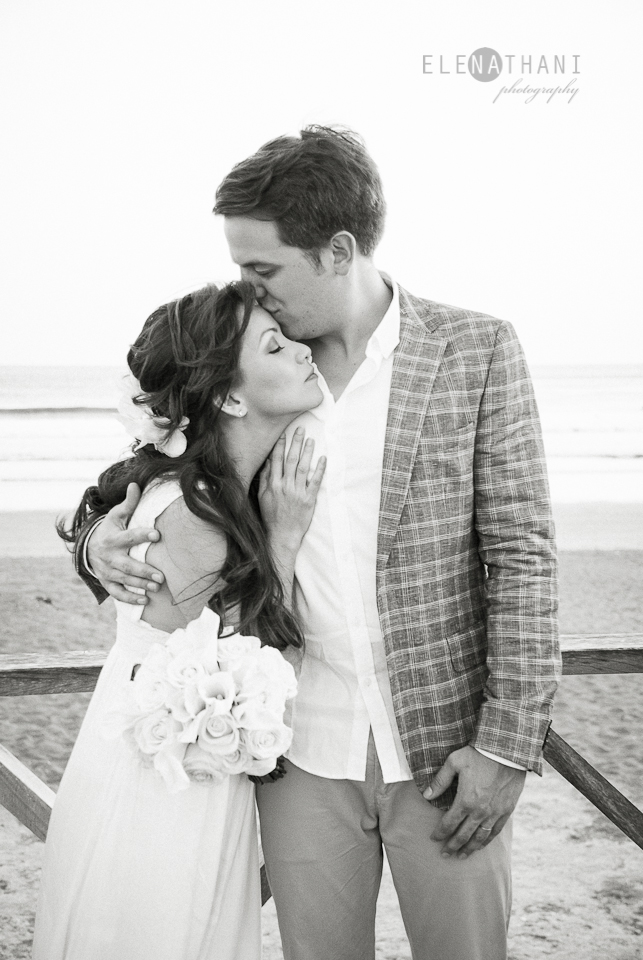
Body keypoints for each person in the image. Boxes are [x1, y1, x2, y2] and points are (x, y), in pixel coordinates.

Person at [81, 127, 561, 960]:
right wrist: (96, 542)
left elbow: (522, 557)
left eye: (262, 268)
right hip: (297, 752)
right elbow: (153, 478)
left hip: (444, 753)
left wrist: (505, 747)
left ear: (337, 251)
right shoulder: (257, 370)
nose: (248, 287)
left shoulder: (476, 351)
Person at [32, 280, 326, 960]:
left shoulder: (204, 490)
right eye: (275, 346)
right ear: (229, 398)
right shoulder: (198, 515)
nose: (302, 350)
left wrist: (87, 538)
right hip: (167, 780)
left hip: (161, 759)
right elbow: (241, 670)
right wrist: (283, 539)